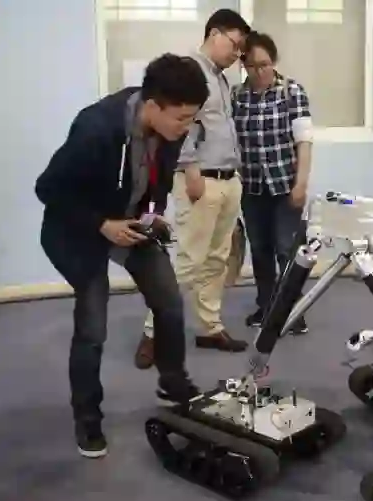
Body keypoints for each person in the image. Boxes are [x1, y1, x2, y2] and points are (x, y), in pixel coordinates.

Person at [34, 53, 208, 458]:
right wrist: (102, 224)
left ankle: (172, 382)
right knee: (93, 323)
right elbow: (48, 189)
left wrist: (152, 215)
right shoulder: (95, 128)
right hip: (79, 229)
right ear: (153, 106)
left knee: (169, 301)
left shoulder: (170, 128)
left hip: (129, 224)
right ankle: (87, 418)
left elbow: (155, 181)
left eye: (192, 118)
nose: (186, 127)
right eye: (181, 118)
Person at [135, 9, 252, 369]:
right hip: (201, 180)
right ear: (215, 34)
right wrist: (190, 168)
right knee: (188, 260)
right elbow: (179, 125)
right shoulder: (191, 73)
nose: (237, 54)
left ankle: (209, 326)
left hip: (229, 179)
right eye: (235, 45)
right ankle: (153, 332)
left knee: (217, 259)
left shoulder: (221, 79)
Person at [232, 32, 313, 334]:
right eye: (251, 66)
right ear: (243, 65)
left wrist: (301, 184)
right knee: (260, 250)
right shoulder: (237, 97)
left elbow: (304, 141)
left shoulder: (292, 92)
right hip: (252, 188)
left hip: (285, 187)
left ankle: (292, 310)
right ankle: (265, 306)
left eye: (264, 64)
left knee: (286, 249)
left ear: (274, 61)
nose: (259, 71)